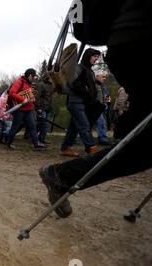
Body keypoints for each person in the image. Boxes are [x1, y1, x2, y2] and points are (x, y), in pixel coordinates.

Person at [40, 0, 152, 219]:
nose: (95, 59)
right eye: (93, 57)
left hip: (129, 42)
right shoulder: (82, 69)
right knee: (86, 127)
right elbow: (74, 86)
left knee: (142, 143)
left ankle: (64, 171)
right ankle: (87, 151)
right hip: (140, 43)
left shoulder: (90, 72)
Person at [6, 69, 46, 151]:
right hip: (19, 109)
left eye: (34, 76)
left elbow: (29, 96)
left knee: (32, 126)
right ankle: (9, 143)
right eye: (32, 76)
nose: (34, 78)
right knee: (15, 127)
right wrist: (22, 99)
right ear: (28, 75)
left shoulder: (30, 84)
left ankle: (36, 144)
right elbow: (11, 93)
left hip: (29, 109)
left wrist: (34, 103)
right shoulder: (19, 81)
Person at [94, 70, 113, 146]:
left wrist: (108, 104)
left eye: (105, 77)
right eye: (103, 77)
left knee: (102, 123)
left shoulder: (104, 86)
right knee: (101, 123)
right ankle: (103, 139)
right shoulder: (93, 85)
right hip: (96, 108)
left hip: (103, 108)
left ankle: (101, 138)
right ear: (97, 76)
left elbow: (107, 96)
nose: (104, 78)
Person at [35, 75, 54, 144]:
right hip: (41, 108)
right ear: (48, 78)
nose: (52, 79)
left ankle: (42, 139)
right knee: (41, 124)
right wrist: (38, 108)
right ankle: (33, 137)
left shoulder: (50, 86)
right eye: (51, 78)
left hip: (47, 108)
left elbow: (49, 98)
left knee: (45, 125)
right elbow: (37, 97)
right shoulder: (40, 85)